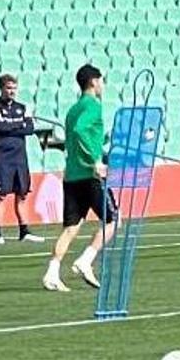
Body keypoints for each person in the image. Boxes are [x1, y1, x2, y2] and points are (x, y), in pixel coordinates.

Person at [41, 64, 116, 292]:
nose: (102, 84)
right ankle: (86, 260)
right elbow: (80, 132)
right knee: (113, 220)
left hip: (72, 175)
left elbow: (83, 136)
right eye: (101, 80)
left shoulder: (73, 109)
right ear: (93, 82)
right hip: (89, 175)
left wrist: (105, 141)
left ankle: (52, 273)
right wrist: (95, 161)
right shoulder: (93, 105)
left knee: (71, 227)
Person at [0, 74, 44, 244]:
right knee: (1, 195)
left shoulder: (23, 107)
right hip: (3, 158)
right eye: (8, 88)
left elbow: (30, 128)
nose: (11, 91)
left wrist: (12, 126)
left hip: (20, 157)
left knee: (22, 194)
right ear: (2, 88)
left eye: (14, 88)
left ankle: (24, 231)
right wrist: (19, 125)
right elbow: (0, 127)